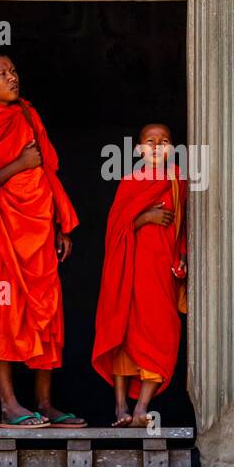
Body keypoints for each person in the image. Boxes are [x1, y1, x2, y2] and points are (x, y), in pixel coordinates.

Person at [0, 52, 86, 428]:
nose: (12, 77)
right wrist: (17, 166)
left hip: (40, 232)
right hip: (4, 237)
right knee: (4, 314)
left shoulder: (28, 114)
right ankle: (9, 405)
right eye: (2, 73)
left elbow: (47, 170)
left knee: (45, 314)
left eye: (14, 70)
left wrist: (62, 223)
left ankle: (44, 403)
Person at [92, 123, 188, 428]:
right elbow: (113, 232)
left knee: (161, 332)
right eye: (150, 141)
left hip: (160, 271)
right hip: (128, 271)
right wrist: (146, 217)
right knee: (123, 330)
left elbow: (185, 226)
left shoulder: (178, 181)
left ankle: (141, 408)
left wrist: (183, 256)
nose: (158, 146)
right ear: (137, 150)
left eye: (165, 141)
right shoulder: (129, 182)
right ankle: (120, 407)